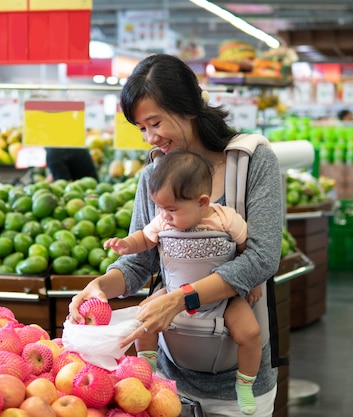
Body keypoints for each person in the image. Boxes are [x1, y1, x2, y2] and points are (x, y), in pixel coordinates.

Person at [68, 54, 283, 417]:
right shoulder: (153, 173)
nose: (151, 137)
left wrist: (182, 298)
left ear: (188, 107)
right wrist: (101, 287)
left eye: (155, 122)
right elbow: (139, 260)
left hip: (237, 383)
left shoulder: (250, 161)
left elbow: (262, 257)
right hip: (167, 380)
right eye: (141, 128)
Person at [103, 150, 263, 414]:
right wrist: (125, 245)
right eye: (161, 208)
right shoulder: (163, 221)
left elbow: (249, 252)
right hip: (172, 293)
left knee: (251, 333)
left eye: (172, 209)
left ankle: (245, 383)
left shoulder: (226, 218)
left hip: (222, 298)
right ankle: (148, 368)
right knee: (144, 318)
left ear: (202, 202)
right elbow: (144, 238)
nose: (164, 216)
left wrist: (253, 281)